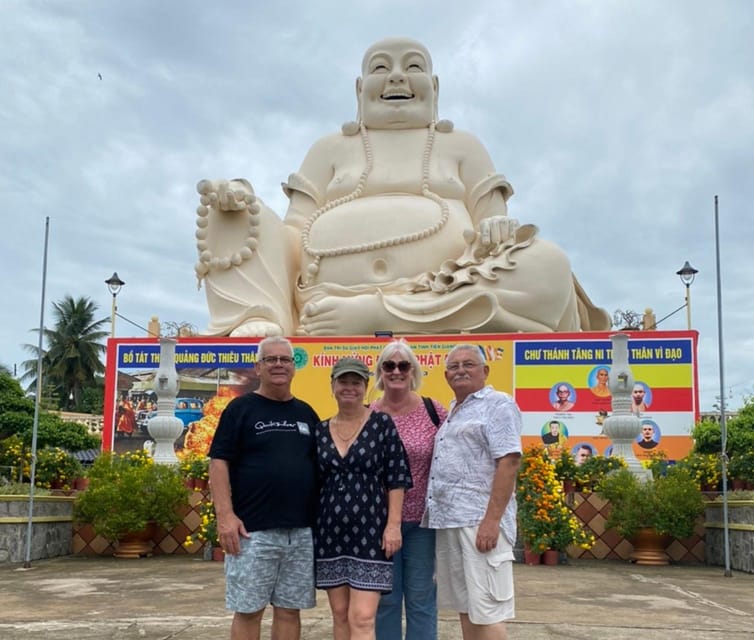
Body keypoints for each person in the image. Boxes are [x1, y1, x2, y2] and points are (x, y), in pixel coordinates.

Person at [194, 37, 610, 338]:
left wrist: (494, 230)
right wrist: (243, 204)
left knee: (549, 263)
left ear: (435, 87)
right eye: (380, 68)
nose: (396, 77)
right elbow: (291, 233)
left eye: (412, 67)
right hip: (321, 299)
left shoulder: (462, 145)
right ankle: (262, 313)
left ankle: (380, 315)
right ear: (360, 90)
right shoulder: (329, 149)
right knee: (231, 209)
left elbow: (497, 230)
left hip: (444, 291)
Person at [208, 336, 319, 640]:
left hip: (300, 531)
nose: (279, 365)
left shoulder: (306, 414)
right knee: (248, 610)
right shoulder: (240, 409)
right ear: (258, 367)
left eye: (285, 359)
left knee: (289, 610)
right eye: (271, 359)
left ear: (294, 367)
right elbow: (218, 463)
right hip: (252, 531)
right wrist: (225, 516)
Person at [423, 344, 522, 640]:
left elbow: (509, 461)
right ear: (445, 375)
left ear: (485, 371)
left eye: (469, 364)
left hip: (479, 523)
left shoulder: (498, 404)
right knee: (467, 609)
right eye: (454, 366)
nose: (461, 370)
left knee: (488, 611)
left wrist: (491, 521)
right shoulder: (455, 409)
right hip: (451, 521)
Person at [315, 357, 412, 640]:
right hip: (329, 533)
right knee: (340, 614)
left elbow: (397, 477)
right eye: (343, 382)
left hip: (371, 532)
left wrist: (393, 525)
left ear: (365, 387)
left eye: (356, 382)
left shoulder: (382, 424)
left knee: (363, 617)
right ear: (332, 385)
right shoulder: (320, 430)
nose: (349, 388)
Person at [369, 340, 448, 640]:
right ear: (380, 371)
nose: (397, 371)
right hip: (380, 524)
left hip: (423, 523)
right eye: (389, 365)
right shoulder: (370, 415)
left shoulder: (433, 410)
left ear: (413, 370)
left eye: (404, 365)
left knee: (421, 599)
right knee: (386, 600)